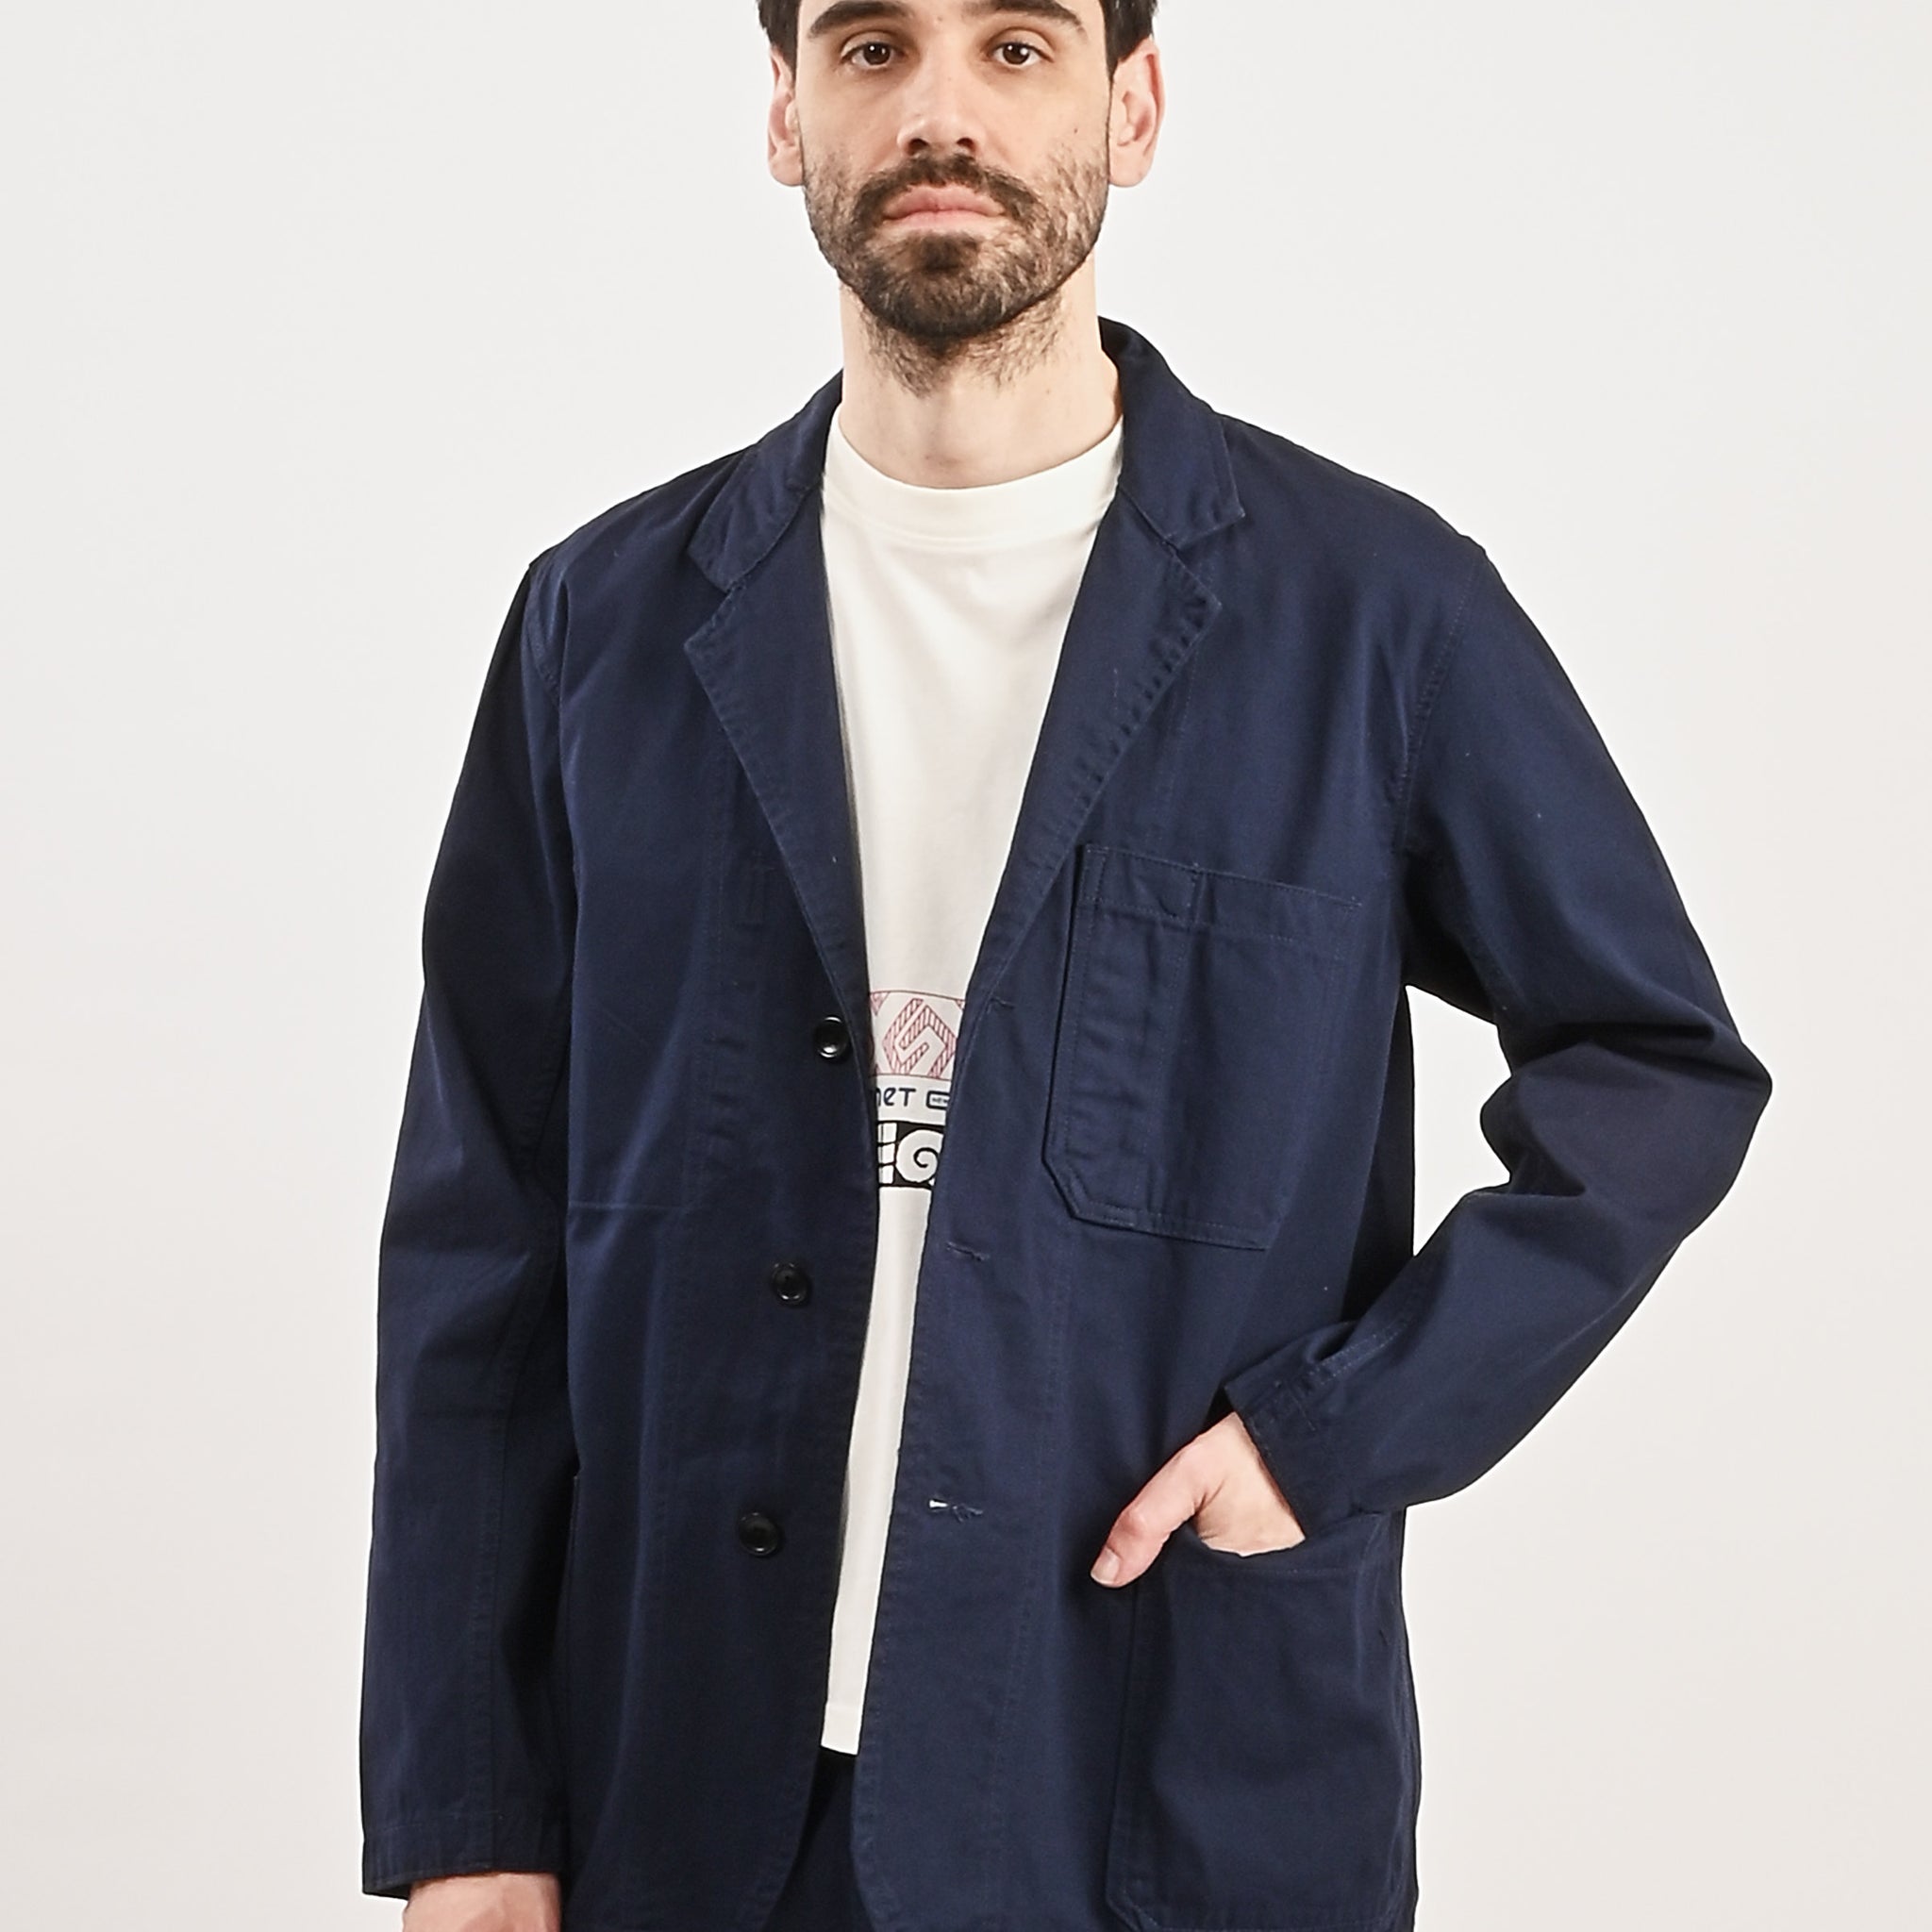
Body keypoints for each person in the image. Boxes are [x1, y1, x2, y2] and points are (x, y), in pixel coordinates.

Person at [358, 3, 1772, 1928]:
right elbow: (479, 1245)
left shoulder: (1371, 614)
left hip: (1152, 1771)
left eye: (1016, 46)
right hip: (678, 1794)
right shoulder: (598, 627)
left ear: (1134, 106)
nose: (940, 110)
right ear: (785, 111)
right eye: (871, 47)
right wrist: (466, 1808)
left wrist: (1338, 1430)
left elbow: (1653, 1065)